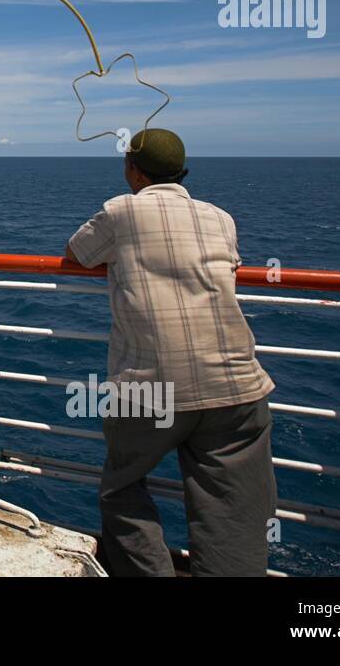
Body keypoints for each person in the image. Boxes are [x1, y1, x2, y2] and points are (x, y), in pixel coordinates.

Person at [65, 128, 275, 577]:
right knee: (233, 510)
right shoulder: (221, 217)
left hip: (152, 386)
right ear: (182, 172)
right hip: (238, 382)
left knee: (122, 487)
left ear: (133, 170)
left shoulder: (121, 211)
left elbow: (77, 253)